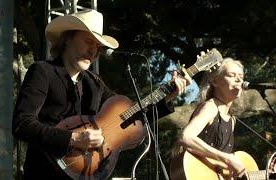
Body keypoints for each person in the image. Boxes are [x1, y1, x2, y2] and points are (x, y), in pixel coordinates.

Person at [12, 9, 190, 180]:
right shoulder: (43, 72)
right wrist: (72, 138)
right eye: (89, 41)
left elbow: (130, 119)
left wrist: (166, 98)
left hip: (86, 175)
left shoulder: (95, 83)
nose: (94, 51)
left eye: (98, 47)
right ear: (68, 38)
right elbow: (22, 124)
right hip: (44, 173)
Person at [177, 58, 246, 179]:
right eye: (231, 75)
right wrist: (228, 159)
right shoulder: (211, 107)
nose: (239, 80)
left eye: (241, 76)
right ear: (214, 81)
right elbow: (186, 137)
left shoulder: (232, 120)